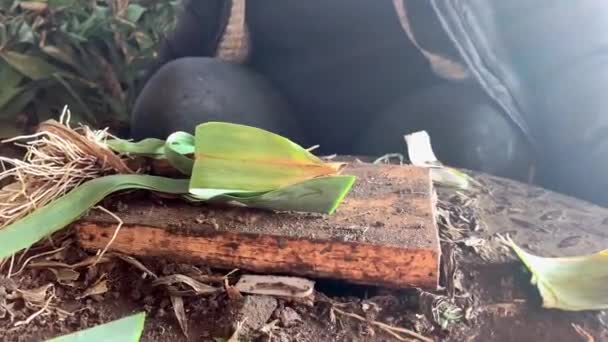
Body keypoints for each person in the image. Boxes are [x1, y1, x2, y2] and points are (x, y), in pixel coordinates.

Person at [131, 0, 608, 207]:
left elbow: (576, 60)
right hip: (289, 155)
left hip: (421, 140)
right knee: (183, 95)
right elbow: (185, 55)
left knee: (470, 136)